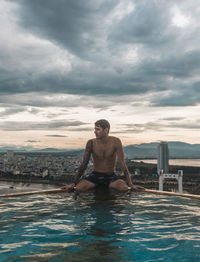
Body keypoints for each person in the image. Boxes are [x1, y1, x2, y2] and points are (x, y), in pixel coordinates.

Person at [61, 119, 145, 192]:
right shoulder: (91, 143)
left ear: (106, 130)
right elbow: (84, 165)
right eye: (95, 129)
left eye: (98, 129)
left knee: (123, 188)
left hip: (111, 176)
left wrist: (131, 184)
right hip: (95, 175)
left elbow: (123, 165)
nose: (95, 132)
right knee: (79, 188)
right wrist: (74, 183)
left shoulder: (116, 141)